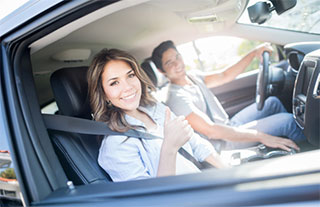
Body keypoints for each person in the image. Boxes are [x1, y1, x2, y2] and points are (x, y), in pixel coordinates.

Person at [87, 48, 226, 182]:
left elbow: (196, 144)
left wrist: (229, 173)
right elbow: (151, 199)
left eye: (130, 75)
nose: (128, 87)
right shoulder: (115, 145)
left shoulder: (155, 108)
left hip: (206, 182)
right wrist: (169, 149)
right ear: (103, 94)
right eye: (114, 83)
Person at [151, 40, 305, 152]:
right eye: (169, 63)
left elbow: (224, 75)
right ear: (162, 71)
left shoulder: (191, 76)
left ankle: (292, 143)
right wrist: (262, 136)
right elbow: (212, 131)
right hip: (223, 142)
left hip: (229, 125)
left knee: (272, 102)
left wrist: (254, 53)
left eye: (177, 57)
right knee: (288, 121)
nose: (177, 64)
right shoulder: (176, 98)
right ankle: (310, 152)